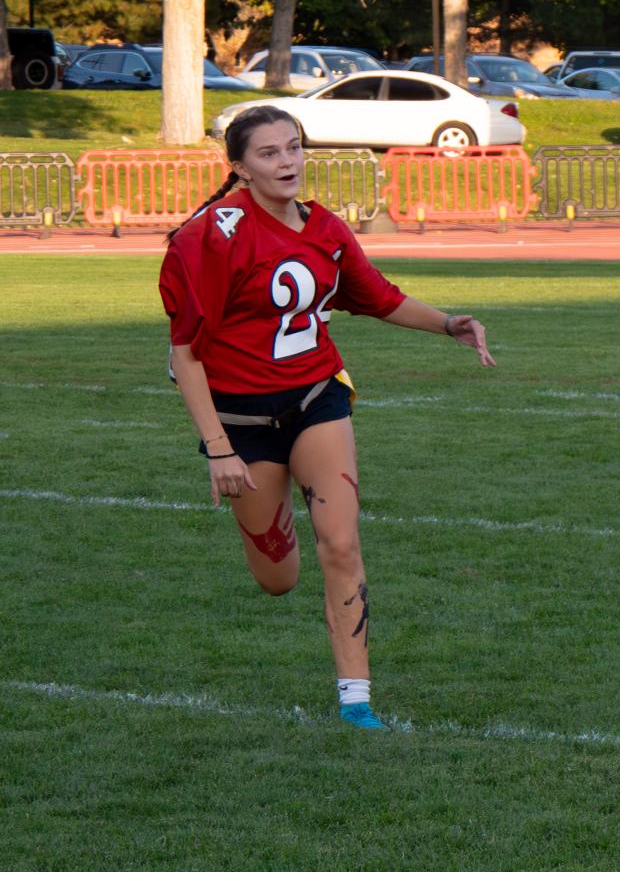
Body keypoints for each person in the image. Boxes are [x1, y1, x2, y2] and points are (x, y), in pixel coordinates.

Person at [159, 104, 497, 730]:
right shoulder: (213, 236)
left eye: (293, 148)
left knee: (340, 544)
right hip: (241, 420)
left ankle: (355, 699)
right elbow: (185, 354)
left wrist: (448, 323)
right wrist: (218, 448)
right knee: (278, 579)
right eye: (268, 153)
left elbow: (378, 296)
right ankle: (270, 517)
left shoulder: (324, 228)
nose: (286, 161)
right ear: (238, 166)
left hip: (316, 396)